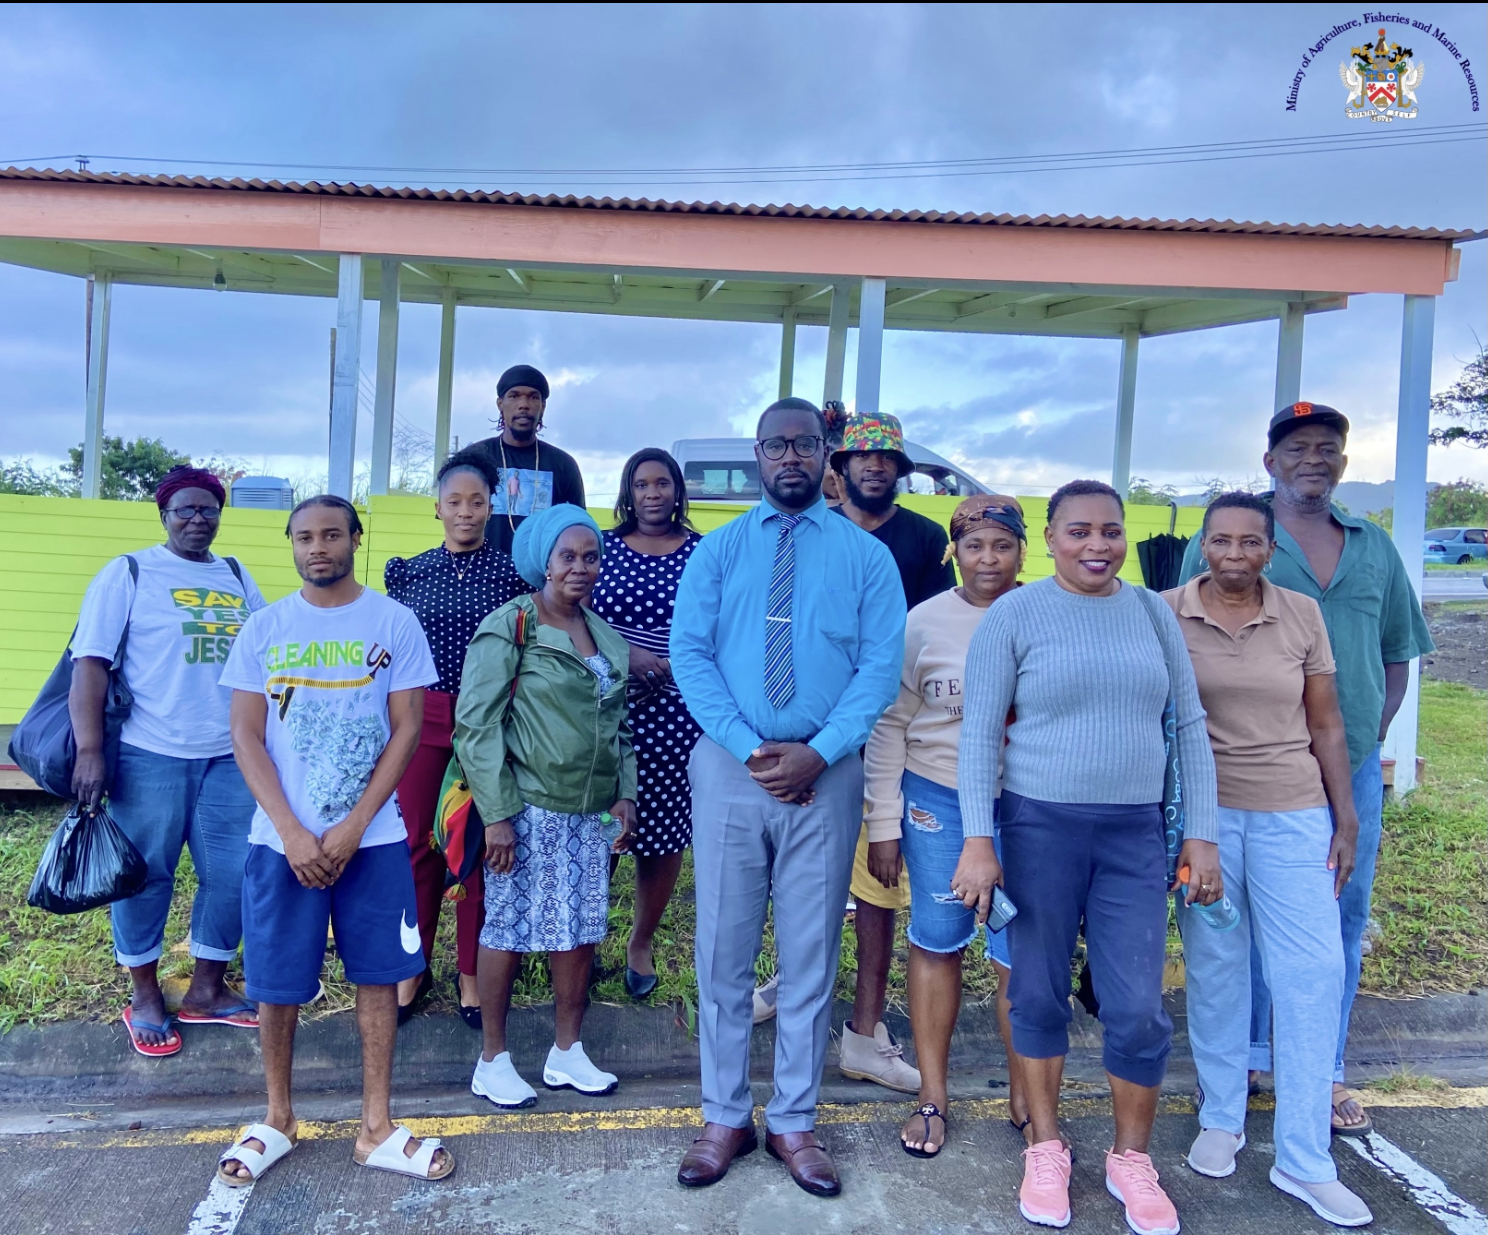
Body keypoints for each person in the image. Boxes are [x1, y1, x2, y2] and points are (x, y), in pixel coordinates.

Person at [960, 479, 1221, 1235]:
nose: (1097, 545)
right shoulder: (1015, 615)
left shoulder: (1151, 613)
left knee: (1136, 1005)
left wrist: (1201, 833)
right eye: (1079, 531)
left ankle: (1130, 1158)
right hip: (1038, 826)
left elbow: (1188, 724)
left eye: (1111, 530)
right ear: (1048, 538)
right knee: (1037, 993)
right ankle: (1045, 1146)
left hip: (1133, 833)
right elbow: (979, 734)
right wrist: (978, 840)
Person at [1178, 402, 1433, 1136]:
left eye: (1327, 447)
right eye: (1296, 448)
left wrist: (1367, 737)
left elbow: (1397, 651)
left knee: (1337, 918)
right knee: (1240, 922)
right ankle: (1249, 1060)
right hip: (1239, 770)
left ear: (1344, 463)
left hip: (1346, 765)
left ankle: (1323, 1069)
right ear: (1271, 462)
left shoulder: (1373, 547)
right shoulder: (1237, 538)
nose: (1312, 458)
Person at [670, 396, 904, 1197]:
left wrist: (820, 751)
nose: (792, 457)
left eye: (806, 444)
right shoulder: (719, 551)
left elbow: (879, 667)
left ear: (826, 453)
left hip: (827, 773)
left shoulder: (866, 557)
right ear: (759, 454)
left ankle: (794, 1119)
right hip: (731, 769)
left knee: (809, 953)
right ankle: (724, 1115)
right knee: (723, 950)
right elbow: (690, 654)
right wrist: (750, 748)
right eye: (777, 445)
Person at [218, 495, 453, 1186]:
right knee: (275, 981)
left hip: (374, 840)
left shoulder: (394, 620)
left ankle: (376, 1127)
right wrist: (292, 830)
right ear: (291, 544)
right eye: (303, 537)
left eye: (330, 535)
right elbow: (245, 735)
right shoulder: (264, 627)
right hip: (280, 843)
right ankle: (277, 1118)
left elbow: (407, 729)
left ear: (355, 538)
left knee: (379, 975)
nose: (317, 547)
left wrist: (353, 827)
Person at [1165, 492, 1371, 1228]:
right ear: (1202, 546)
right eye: (1221, 540)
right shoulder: (1166, 612)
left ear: (1271, 549)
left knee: (1311, 973)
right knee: (1218, 968)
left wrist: (1346, 816)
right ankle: (1222, 1116)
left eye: (1250, 542)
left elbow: (1327, 721)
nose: (1235, 554)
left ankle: (1305, 1158)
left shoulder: (1301, 614)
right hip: (1205, 822)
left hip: (1294, 814)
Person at [69, 465, 266, 1057]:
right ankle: (145, 995)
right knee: (146, 875)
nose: (197, 519)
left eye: (208, 509)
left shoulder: (236, 575)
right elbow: (90, 664)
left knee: (235, 873)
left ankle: (207, 989)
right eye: (185, 509)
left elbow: (267, 652)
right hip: (150, 752)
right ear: (164, 515)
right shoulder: (129, 572)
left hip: (230, 755)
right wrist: (90, 750)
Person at [861, 495, 1032, 1158]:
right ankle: (932, 1095)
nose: (989, 559)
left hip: (1027, 803)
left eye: (1003, 545)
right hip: (938, 800)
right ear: (952, 551)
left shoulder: (1043, 612)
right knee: (936, 940)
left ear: (1022, 551)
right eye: (974, 545)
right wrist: (882, 821)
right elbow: (890, 725)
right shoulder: (922, 623)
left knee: (1020, 950)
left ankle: (1028, 1094)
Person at [456, 504, 638, 1108]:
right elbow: (476, 727)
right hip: (526, 810)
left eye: (591, 557)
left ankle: (567, 1052)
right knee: (506, 929)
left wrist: (625, 796)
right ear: (544, 562)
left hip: (591, 815)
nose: (580, 568)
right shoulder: (512, 625)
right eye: (568, 557)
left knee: (580, 930)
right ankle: (493, 1060)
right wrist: (497, 816)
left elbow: (619, 726)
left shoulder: (602, 633)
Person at [828, 411, 955, 1093]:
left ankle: (867, 1027)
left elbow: (931, 638)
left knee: (880, 882)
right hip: (818, 728)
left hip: (895, 726)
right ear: (842, 466)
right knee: (805, 875)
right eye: (862, 457)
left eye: (887, 459)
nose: (875, 467)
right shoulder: (817, 530)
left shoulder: (925, 538)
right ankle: (794, 982)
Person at [384, 454, 529, 1027]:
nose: (465, 511)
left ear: (491, 506)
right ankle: (412, 965)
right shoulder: (408, 573)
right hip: (423, 717)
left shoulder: (514, 575)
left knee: (476, 847)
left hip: (491, 722)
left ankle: (471, 972)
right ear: (437, 508)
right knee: (417, 842)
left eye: (477, 501)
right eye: (454, 502)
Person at [588, 448, 703, 1000]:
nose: (652, 493)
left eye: (662, 483)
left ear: (677, 490)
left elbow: (720, 624)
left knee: (662, 829)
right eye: (641, 484)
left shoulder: (703, 552)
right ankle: (583, 938)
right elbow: (575, 612)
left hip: (678, 710)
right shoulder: (602, 548)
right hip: (604, 707)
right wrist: (626, 655)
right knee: (600, 824)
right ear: (627, 493)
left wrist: (674, 667)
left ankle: (640, 940)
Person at [457, 364, 587, 555]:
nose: (524, 404)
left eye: (533, 397)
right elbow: (455, 521)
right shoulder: (473, 458)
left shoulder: (563, 465)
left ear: (543, 406)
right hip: (481, 570)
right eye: (514, 396)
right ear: (500, 404)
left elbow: (578, 529)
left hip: (541, 572)